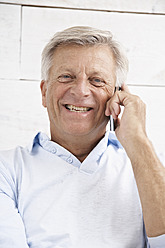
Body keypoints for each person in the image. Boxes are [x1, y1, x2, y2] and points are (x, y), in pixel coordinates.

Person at [0, 26, 165, 248]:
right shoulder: (7, 169)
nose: (80, 91)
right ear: (44, 92)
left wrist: (139, 141)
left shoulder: (151, 168)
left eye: (97, 80)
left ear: (118, 95)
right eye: (66, 77)